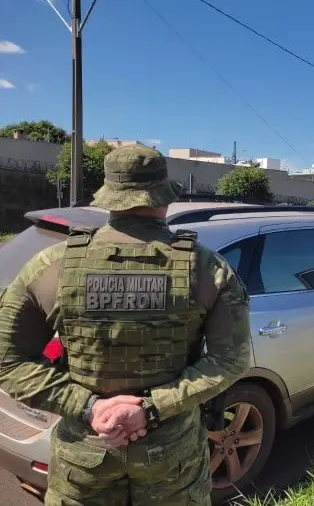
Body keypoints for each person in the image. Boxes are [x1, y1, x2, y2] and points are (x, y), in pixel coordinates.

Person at [0, 144, 252, 505]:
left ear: (109, 197)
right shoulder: (207, 269)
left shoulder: (51, 265)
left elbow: (8, 360)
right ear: (163, 198)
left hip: (85, 454)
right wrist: (151, 408)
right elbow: (231, 360)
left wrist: (89, 408)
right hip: (171, 457)